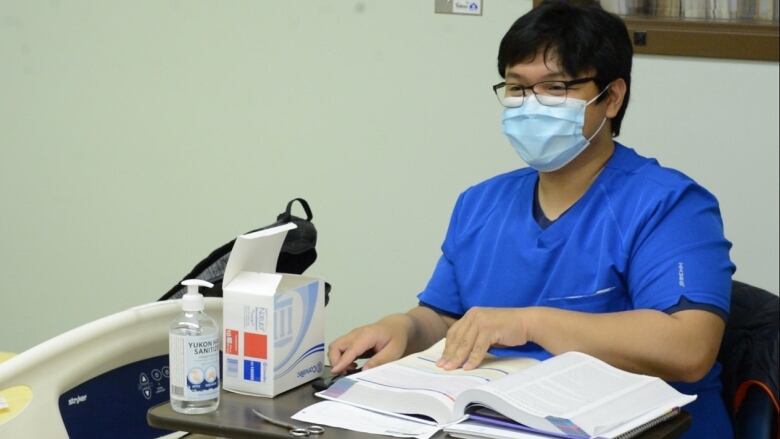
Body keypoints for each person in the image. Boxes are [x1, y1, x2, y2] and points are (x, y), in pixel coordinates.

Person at [328, 1, 735, 437]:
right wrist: (403, 327)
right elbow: (447, 318)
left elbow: (690, 347)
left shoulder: (669, 205)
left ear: (611, 97)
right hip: (499, 423)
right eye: (517, 89)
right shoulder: (482, 202)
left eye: (556, 88)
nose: (531, 105)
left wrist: (528, 322)